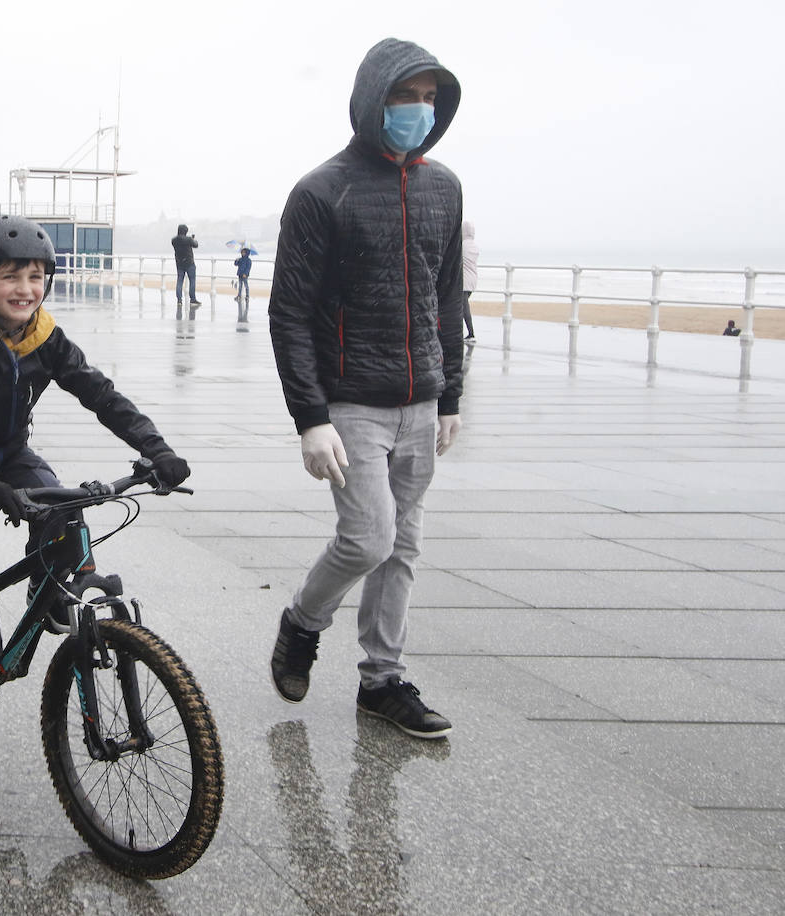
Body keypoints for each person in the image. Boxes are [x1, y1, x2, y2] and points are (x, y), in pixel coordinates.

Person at [0, 214, 191, 750]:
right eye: (10, 277)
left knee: (66, 507)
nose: (25, 289)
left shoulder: (44, 336)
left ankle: (61, 590)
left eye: (37, 277)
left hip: (9, 455)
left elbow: (99, 393)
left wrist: (154, 447)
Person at [266, 37, 464, 740]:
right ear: (371, 99)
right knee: (368, 538)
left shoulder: (444, 187)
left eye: (429, 98)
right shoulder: (323, 191)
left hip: (420, 399)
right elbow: (288, 311)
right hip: (351, 402)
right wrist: (309, 416)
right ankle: (302, 620)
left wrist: (451, 396)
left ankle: (383, 680)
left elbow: (447, 296)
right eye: (404, 96)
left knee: (403, 546)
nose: (417, 110)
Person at [171, 224, 201, 319]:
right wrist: (192, 239)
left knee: (179, 281)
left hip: (179, 263)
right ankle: (193, 299)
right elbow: (195, 245)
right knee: (192, 280)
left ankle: (179, 300)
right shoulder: (188, 239)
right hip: (189, 263)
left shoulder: (174, 240)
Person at [461, 221, 477, 341]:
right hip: (472, 280)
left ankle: (471, 333)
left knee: (464, 308)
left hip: (463, 281)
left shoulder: (462, 245)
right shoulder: (474, 246)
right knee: (462, 307)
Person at [234, 247, 253, 324]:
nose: (242, 254)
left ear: (247, 253)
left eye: (244, 252)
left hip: (245, 275)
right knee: (240, 285)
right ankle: (239, 295)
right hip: (240, 274)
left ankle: (247, 296)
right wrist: (236, 260)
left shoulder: (248, 260)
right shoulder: (241, 259)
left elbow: (248, 268)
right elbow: (236, 264)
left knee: (246, 285)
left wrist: (246, 273)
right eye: (242, 252)